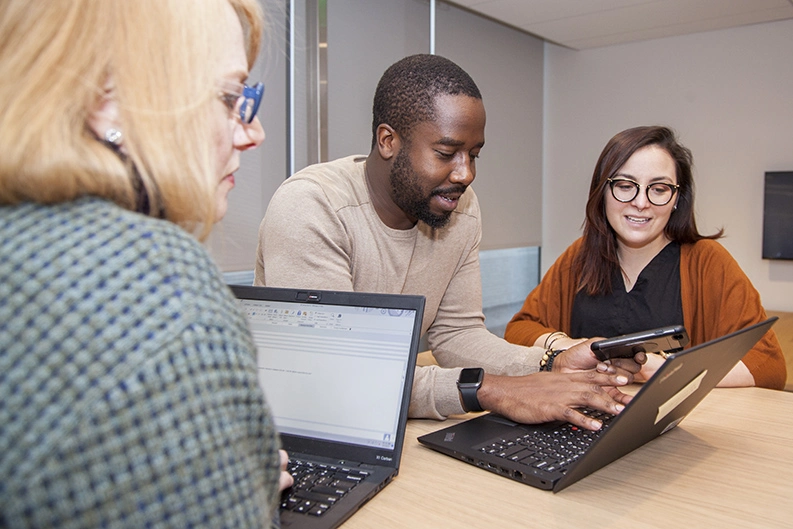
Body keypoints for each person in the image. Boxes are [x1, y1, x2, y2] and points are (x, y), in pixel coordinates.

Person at [0, 1, 292, 527]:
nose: (252, 133)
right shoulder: (160, 290)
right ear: (106, 102)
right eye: (229, 98)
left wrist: (216, 476)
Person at [255, 53, 644, 431]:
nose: (466, 174)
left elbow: (457, 335)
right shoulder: (312, 206)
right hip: (294, 433)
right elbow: (340, 373)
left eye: (474, 154)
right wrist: (490, 390)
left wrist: (549, 363)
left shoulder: (459, 209)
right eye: (446, 153)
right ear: (388, 140)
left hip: (387, 424)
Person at [505, 125, 786, 389]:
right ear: (602, 191)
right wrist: (568, 347)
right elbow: (519, 330)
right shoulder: (579, 257)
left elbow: (767, 365)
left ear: (677, 198)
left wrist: (663, 369)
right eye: (626, 185)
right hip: (581, 420)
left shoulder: (707, 262)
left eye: (659, 189)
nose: (641, 202)